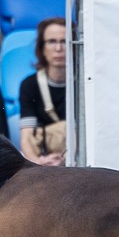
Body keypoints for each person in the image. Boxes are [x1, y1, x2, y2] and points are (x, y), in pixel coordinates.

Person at [18, 17, 68, 166]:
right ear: (42, 48)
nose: (58, 48)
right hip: (41, 157)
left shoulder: (86, 83)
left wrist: (65, 161)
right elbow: (26, 136)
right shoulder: (30, 84)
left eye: (64, 41)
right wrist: (37, 163)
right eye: (52, 41)